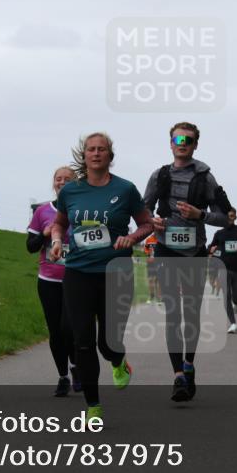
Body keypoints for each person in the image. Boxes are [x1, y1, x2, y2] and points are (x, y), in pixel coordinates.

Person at [49, 132, 153, 421]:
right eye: (91, 149)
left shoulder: (125, 189)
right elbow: (59, 224)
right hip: (78, 273)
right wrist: (56, 241)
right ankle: (93, 407)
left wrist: (132, 238)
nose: (96, 153)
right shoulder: (71, 191)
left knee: (108, 343)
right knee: (82, 342)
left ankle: (118, 361)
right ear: (84, 155)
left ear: (110, 156)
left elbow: (146, 224)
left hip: (116, 273)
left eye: (101, 149)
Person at [143, 122, 232, 403]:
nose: (182, 144)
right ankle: (178, 376)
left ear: (195, 145)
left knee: (191, 313)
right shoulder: (159, 175)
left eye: (188, 140)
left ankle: (189, 364)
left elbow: (227, 217)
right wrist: (153, 222)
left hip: (194, 252)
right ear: (170, 143)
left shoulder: (205, 177)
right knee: (173, 313)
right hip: (166, 249)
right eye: (177, 139)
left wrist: (199, 215)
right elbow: (143, 210)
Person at [27, 166, 80, 397]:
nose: (62, 182)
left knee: (69, 328)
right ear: (53, 183)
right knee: (55, 331)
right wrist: (44, 234)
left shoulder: (82, 210)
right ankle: (63, 376)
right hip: (48, 279)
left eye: (67, 179)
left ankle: (76, 366)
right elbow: (30, 246)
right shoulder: (42, 212)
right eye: (58, 179)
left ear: (76, 183)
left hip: (76, 279)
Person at [143, 233, 159, 303]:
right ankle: (151, 296)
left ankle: (159, 298)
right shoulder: (148, 239)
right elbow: (145, 250)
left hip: (158, 263)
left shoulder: (161, 239)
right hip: (150, 263)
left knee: (158, 280)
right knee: (150, 280)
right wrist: (148, 255)